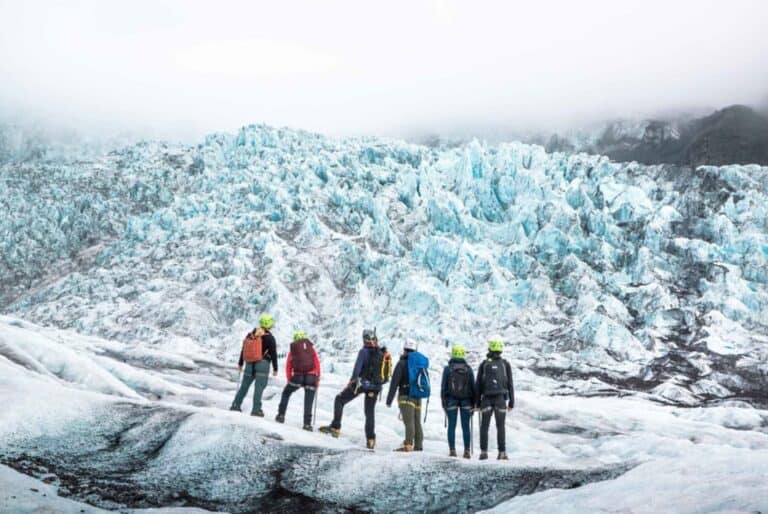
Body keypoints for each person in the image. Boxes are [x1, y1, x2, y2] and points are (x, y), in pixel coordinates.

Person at [319, 328, 391, 450]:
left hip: (362, 384)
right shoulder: (381, 352)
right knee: (369, 413)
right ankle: (371, 439)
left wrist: (351, 382)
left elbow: (356, 371)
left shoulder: (363, 352)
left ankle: (335, 427)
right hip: (376, 387)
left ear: (364, 339)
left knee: (339, 400)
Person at [229, 314, 278, 416]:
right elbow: (273, 353)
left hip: (249, 363)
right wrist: (275, 368)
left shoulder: (250, 335)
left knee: (244, 386)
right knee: (259, 388)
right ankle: (256, 410)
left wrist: (240, 363)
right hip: (263, 364)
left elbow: (244, 349)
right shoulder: (270, 338)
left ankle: (236, 405)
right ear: (269, 324)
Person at [474, 337, 514, 460]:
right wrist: (511, 402)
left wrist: (477, 402)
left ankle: (483, 452)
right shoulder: (505, 364)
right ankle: (502, 453)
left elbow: (478, 384)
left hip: (486, 398)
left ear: (490, 348)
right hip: (501, 399)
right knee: (500, 426)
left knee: (484, 426)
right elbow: (510, 384)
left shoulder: (484, 364)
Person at [276, 331, 321, 431]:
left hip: (298, 377)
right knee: (308, 400)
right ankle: (307, 424)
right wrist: (317, 379)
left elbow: (288, 366)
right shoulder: (311, 349)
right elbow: (317, 365)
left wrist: (289, 380)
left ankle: (281, 415)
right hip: (311, 377)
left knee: (286, 393)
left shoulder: (293, 351)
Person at [386, 340, 425, 452]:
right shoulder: (419, 364)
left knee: (409, 422)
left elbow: (394, 383)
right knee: (417, 421)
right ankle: (419, 445)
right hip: (417, 397)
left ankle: (408, 444)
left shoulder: (401, 363)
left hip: (405, 396)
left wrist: (389, 400)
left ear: (404, 350)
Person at [441, 344, 475, 459]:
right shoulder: (468, 369)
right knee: (466, 426)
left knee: (452, 425)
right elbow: (473, 387)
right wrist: (474, 404)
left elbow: (443, 387)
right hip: (466, 401)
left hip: (451, 400)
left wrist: (444, 403)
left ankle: (452, 450)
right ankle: (466, 451)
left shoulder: (448, 369)